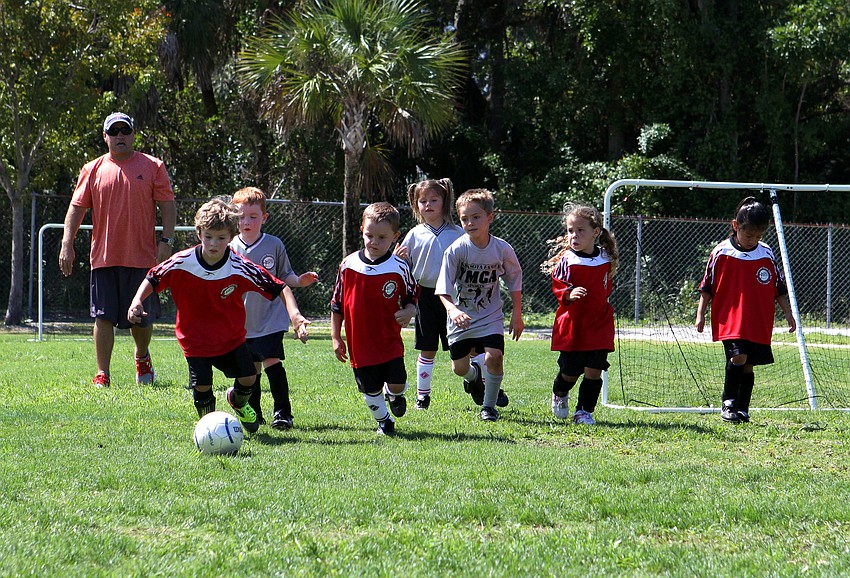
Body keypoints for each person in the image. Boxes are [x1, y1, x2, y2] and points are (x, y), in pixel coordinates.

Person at [127, 198, 314, 433]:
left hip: (231, 338)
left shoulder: (240, 265)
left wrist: (295, 316)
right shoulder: (182, 261)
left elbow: (278, 287)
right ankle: (209, 428)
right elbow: (153, 278)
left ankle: (237, 401)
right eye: (208, 237)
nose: (214, 244)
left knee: (248, 378)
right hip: (194, 340)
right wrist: (136, 301)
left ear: (231, 236)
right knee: (202, 386)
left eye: (221, 238)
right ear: (199, 234)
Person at [59, 112, 176, 388]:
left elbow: (167, 204)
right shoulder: (92, 169)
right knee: (103, 317)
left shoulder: (153, 166)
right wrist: (67, 243)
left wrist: (166, 241)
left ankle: (142, 356)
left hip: (143, 258)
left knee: (141, 320)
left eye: (125, 131)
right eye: (115, 132)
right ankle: (103, 373)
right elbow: (77, 208)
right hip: (104, 257)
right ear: (106, 137)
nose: (120, 136)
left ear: (133, 134)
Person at [695, 196, 796, 423]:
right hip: (730, 318)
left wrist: (788, 313)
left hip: (757, 319)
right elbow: (707, 285)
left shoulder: (766, 253)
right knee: (738, 357)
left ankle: (742, 408)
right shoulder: (721, 252)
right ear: (735, 226)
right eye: (749, 235)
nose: (753, 240)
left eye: (758, 236)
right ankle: (728, 403)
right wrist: (700, 313)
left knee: (749, 364)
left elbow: (778, 286)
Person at [230, 186, 318, 430]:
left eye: (253, 216)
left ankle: (283, 413)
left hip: (271, 319)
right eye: (241, 216)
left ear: (264, 218)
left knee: (272, 361)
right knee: (251, 371)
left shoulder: (274, 244)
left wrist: (300, 281)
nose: (246, 222)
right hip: (242, 324)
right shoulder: (229, 248)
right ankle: (256, 414)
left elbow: (285, 275)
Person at [435, 189, 523, 422]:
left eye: (476, 217)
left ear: (490, 218)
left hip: (490, 316)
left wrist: (517, 314)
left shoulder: (501, 249)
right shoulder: (456, 250)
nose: (470, 222)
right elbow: (443, 290)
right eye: (465, 218)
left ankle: (489, 407)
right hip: (460, 317)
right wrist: (453, 310)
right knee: (459, 369)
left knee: (494, 357)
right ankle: (474, 378)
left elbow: (514, 279)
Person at [331, 202, 418, 436]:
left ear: (395, 236)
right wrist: (336, 337)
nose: (374, 242)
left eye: (382, 237)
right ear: (362, 230)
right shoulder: (348, 264)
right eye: (370, 235)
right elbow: (337, 304)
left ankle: (396, 395)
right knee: (370, 389)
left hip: (389, 340)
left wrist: (410, 311)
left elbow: (412, 296)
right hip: (359, 344)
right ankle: (384, 422)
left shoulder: (399, 267)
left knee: (397, 383)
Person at [543, 203, 619, 425]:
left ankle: (584, 411)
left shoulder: (605, 258)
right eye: (570, 231)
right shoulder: (568, 259)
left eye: (580, 230)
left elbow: (606, 286)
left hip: (600, 323)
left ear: (595, 233)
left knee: (594, 370)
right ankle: (559, 392)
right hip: (574, 324)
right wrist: (569, 292)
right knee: (570, 372)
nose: (573, 235)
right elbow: (557, 285)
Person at [394, 178, 464, 410]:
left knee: (465, 347)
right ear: (416, 205)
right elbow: (401, 265)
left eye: (434, 200)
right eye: (423, 201)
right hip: (424, 295)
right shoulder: (414, 234)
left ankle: (478, 382)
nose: (428, 205)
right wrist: (399, 258)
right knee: (428, 348)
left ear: (445, 202)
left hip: (454, 297)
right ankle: (422, 396)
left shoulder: (458, 233)